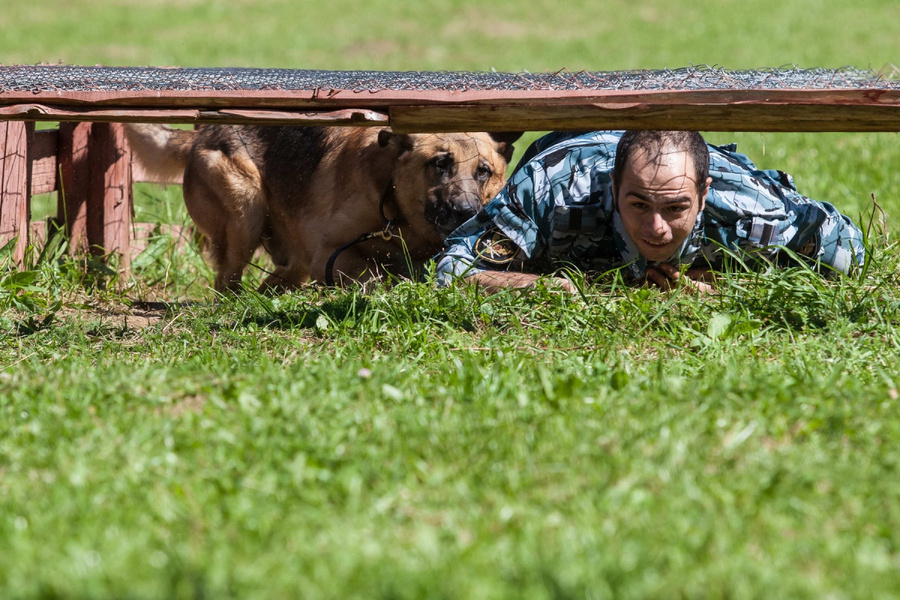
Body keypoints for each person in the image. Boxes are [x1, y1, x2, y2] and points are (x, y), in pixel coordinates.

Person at [435, 130, 866, 293]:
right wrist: (554, 288)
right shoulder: (551, 190)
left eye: (676, 207)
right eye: (638, 204)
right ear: (613, 187)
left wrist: (731, 286)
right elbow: (451, 271)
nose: (657, 227)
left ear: (704, 193)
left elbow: (848, 252)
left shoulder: (748, 211)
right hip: (569, 149)